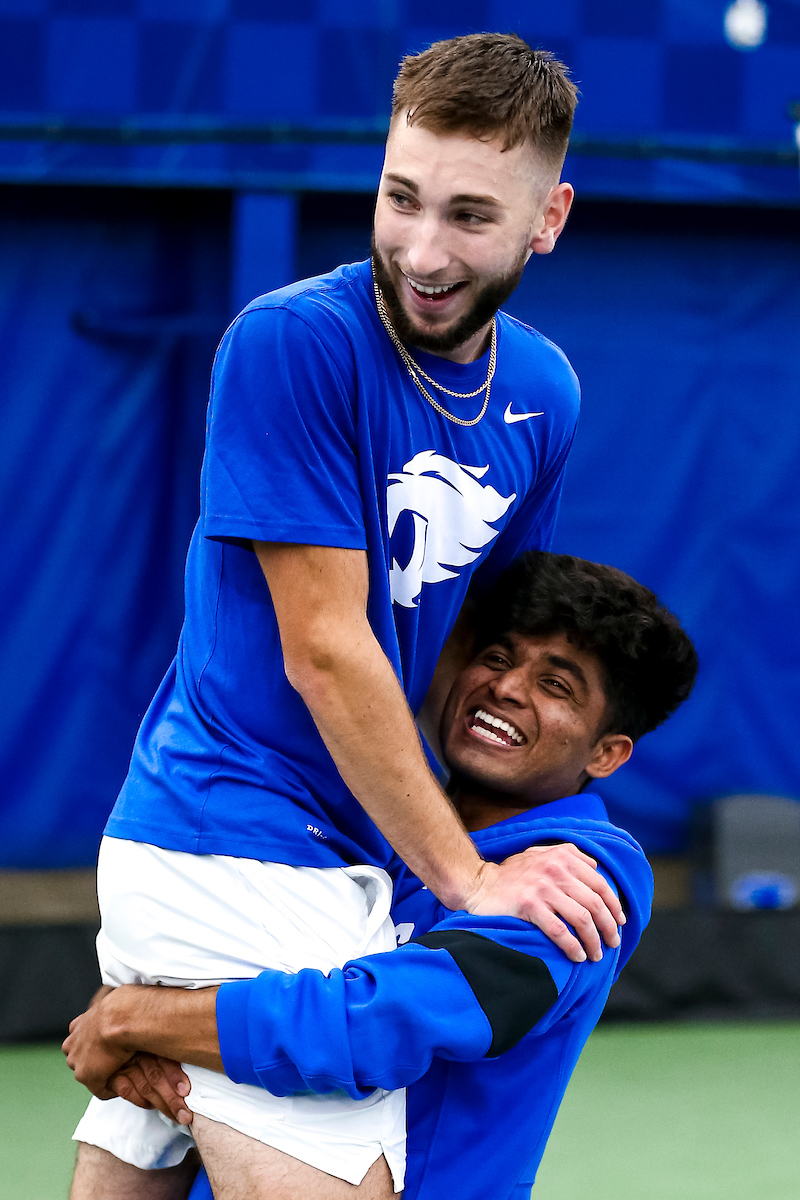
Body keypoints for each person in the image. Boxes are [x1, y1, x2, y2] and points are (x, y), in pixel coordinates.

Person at [68, 34, 627, 1200]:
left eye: (470, 216)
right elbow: (326, 649)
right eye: (399, 198)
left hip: (343, 866)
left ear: (548, 218)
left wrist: (515, 846)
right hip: (234, 840)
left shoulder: (545, 393)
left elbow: (482, 647)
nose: (420, 252)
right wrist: (471, 882)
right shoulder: (294, 342)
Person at [65, 552, 699, 1200]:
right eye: (500, 656)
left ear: (607, 752)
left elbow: (370, 1029)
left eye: (556, 685)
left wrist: (132, 1019)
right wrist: (149, 1034)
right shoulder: (384, 818)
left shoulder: (580, 880)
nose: (507, 688)